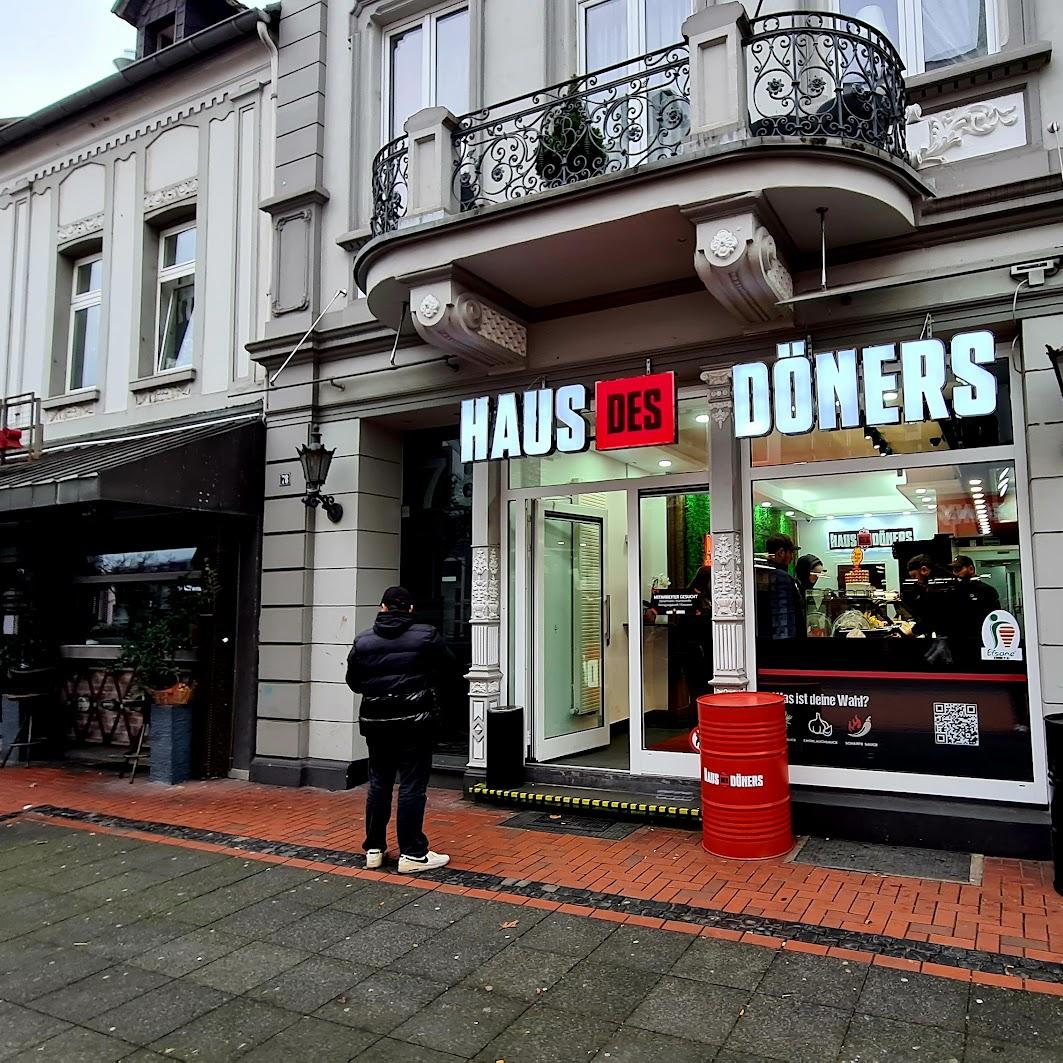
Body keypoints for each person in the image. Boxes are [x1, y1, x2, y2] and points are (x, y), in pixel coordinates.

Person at [345, 585, 456, 873]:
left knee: (379, 783)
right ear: (410, 609)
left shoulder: (363, 641)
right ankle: (412, 853)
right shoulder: (426, 635)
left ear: (382, 607)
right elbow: (449, 669)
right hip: (416, 723)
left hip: (377, 724)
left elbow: (355, 682)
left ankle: (374, 848)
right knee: (412, 785)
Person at [763, 534, 806, 640]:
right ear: (781, 553)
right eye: (790, 552)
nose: (792, 557)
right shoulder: (782, 578)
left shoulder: (765, 574)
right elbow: (783, 618)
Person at [950, 554, 1001, 640]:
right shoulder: (953, 591)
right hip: (958, 638)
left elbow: (995, 617)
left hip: (981, 637)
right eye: (954, 570)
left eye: (958, 569)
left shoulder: (986, 590)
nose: (956, 573)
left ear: (971, 569)